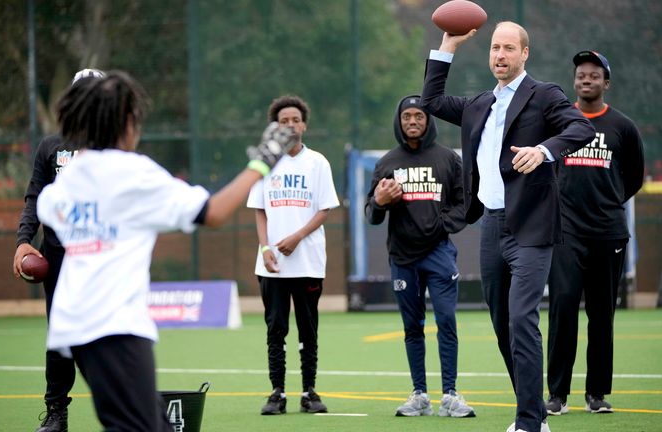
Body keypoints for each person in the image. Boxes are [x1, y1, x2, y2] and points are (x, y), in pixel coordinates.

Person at [36, 71, 298, 430]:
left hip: (75, 328)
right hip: (114, 327)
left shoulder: (69, 179)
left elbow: (48, 207)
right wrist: (263, 161)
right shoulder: (134, 174)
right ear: (126, 122)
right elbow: (215, 212)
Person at [421, 22, 595, 432]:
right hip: (492, 226)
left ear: (524, 54)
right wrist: (448, 44)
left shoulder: (544, 95)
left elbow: (582, 127)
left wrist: (543, 150)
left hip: (532, 226)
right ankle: (533, 406)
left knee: (522, 320)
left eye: (508, 48)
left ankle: (530, 421)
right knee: (503, 326)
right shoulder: (479, 103)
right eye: (495, 48)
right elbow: (430, 99)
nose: (500, 55)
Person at [545, 51, 645, 417]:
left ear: (606, 83)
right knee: (563, 307)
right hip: (566, 233)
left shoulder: (623, 127)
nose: (586, 80)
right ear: (575, 80)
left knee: (602, 315)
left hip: (608, 233)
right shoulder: (558, 122)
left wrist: (608, 203)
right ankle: (556, 395)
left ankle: (597, 393)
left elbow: (633, 177)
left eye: (594, 75)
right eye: (581, 75)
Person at [365, 95, 473, 418]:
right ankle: (419, 395)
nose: (413, 122)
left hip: (439, 254)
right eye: (407, 116)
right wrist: (381, 201)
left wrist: (442, 224)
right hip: (403, 258)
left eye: (419, 116)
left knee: (446, 321)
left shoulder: (448, 159)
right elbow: (370, 214)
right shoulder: (387, 162)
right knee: (412, 327)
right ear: (399, 121)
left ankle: (451, 394)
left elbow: (465, 204)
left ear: (429, 121)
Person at [13, 68, 105, 432]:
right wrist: (23, 241)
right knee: (60, 337)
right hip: (57, 258)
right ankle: (56, 412)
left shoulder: (114, 148)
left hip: (100, 259)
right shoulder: (51, 146)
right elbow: (35, 196)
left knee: (105, 338)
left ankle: (125, 409)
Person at [247, 95, 339, 415]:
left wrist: (298, 237)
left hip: (308, 262)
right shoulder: (264, 162)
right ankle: (277, 393)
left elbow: (324, 208)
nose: (290, 125)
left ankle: (309, 392)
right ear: (275, 126)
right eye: (283, 121)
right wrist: (266, 248)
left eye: (295, 120)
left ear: (304, 125)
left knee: (308, 328)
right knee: (276, 329)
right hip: (272, 264)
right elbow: (259, 210)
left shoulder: (318, 163)